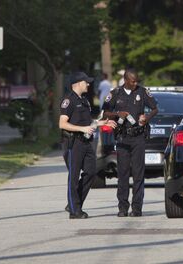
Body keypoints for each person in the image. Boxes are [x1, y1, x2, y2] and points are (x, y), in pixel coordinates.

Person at [59, 72, 117, 219]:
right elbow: (62, 124)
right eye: (86, 82)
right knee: (73, 177)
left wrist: (101, 123)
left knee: (91, 172)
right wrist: (82, 129)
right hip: (73, 143)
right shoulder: (68, 100)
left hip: (86, 142)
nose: (89, 84)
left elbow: (87, 122)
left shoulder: (84, 100)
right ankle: (74, 211)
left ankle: (73, 202)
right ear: (78, 83)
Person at [102, 69, 158, 217]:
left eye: (137, 81)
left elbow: (155, 108)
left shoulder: (142, 92)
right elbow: (105, 112)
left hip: (138, 137)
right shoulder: (115, 93)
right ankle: (122, 208)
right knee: (123, 174)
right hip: (122, 138)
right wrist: (117, 114)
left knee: (138, 174)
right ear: (126, 80)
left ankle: (137, 208)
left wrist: (147, 117)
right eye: (133, 81)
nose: (136, 83)